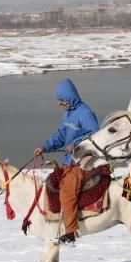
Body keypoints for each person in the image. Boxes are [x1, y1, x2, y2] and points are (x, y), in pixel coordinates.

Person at [34, 77, 99, 244]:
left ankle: (70, 232)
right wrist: (45, 146)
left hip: (82, 160)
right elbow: (61, 134)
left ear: (70, 97)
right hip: (68, 159)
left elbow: (95, 134)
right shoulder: (68, 114)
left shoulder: (85, 113)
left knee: (67, 191)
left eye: (62, 100)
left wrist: (75, 144)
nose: (60, 104)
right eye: (59, 101)